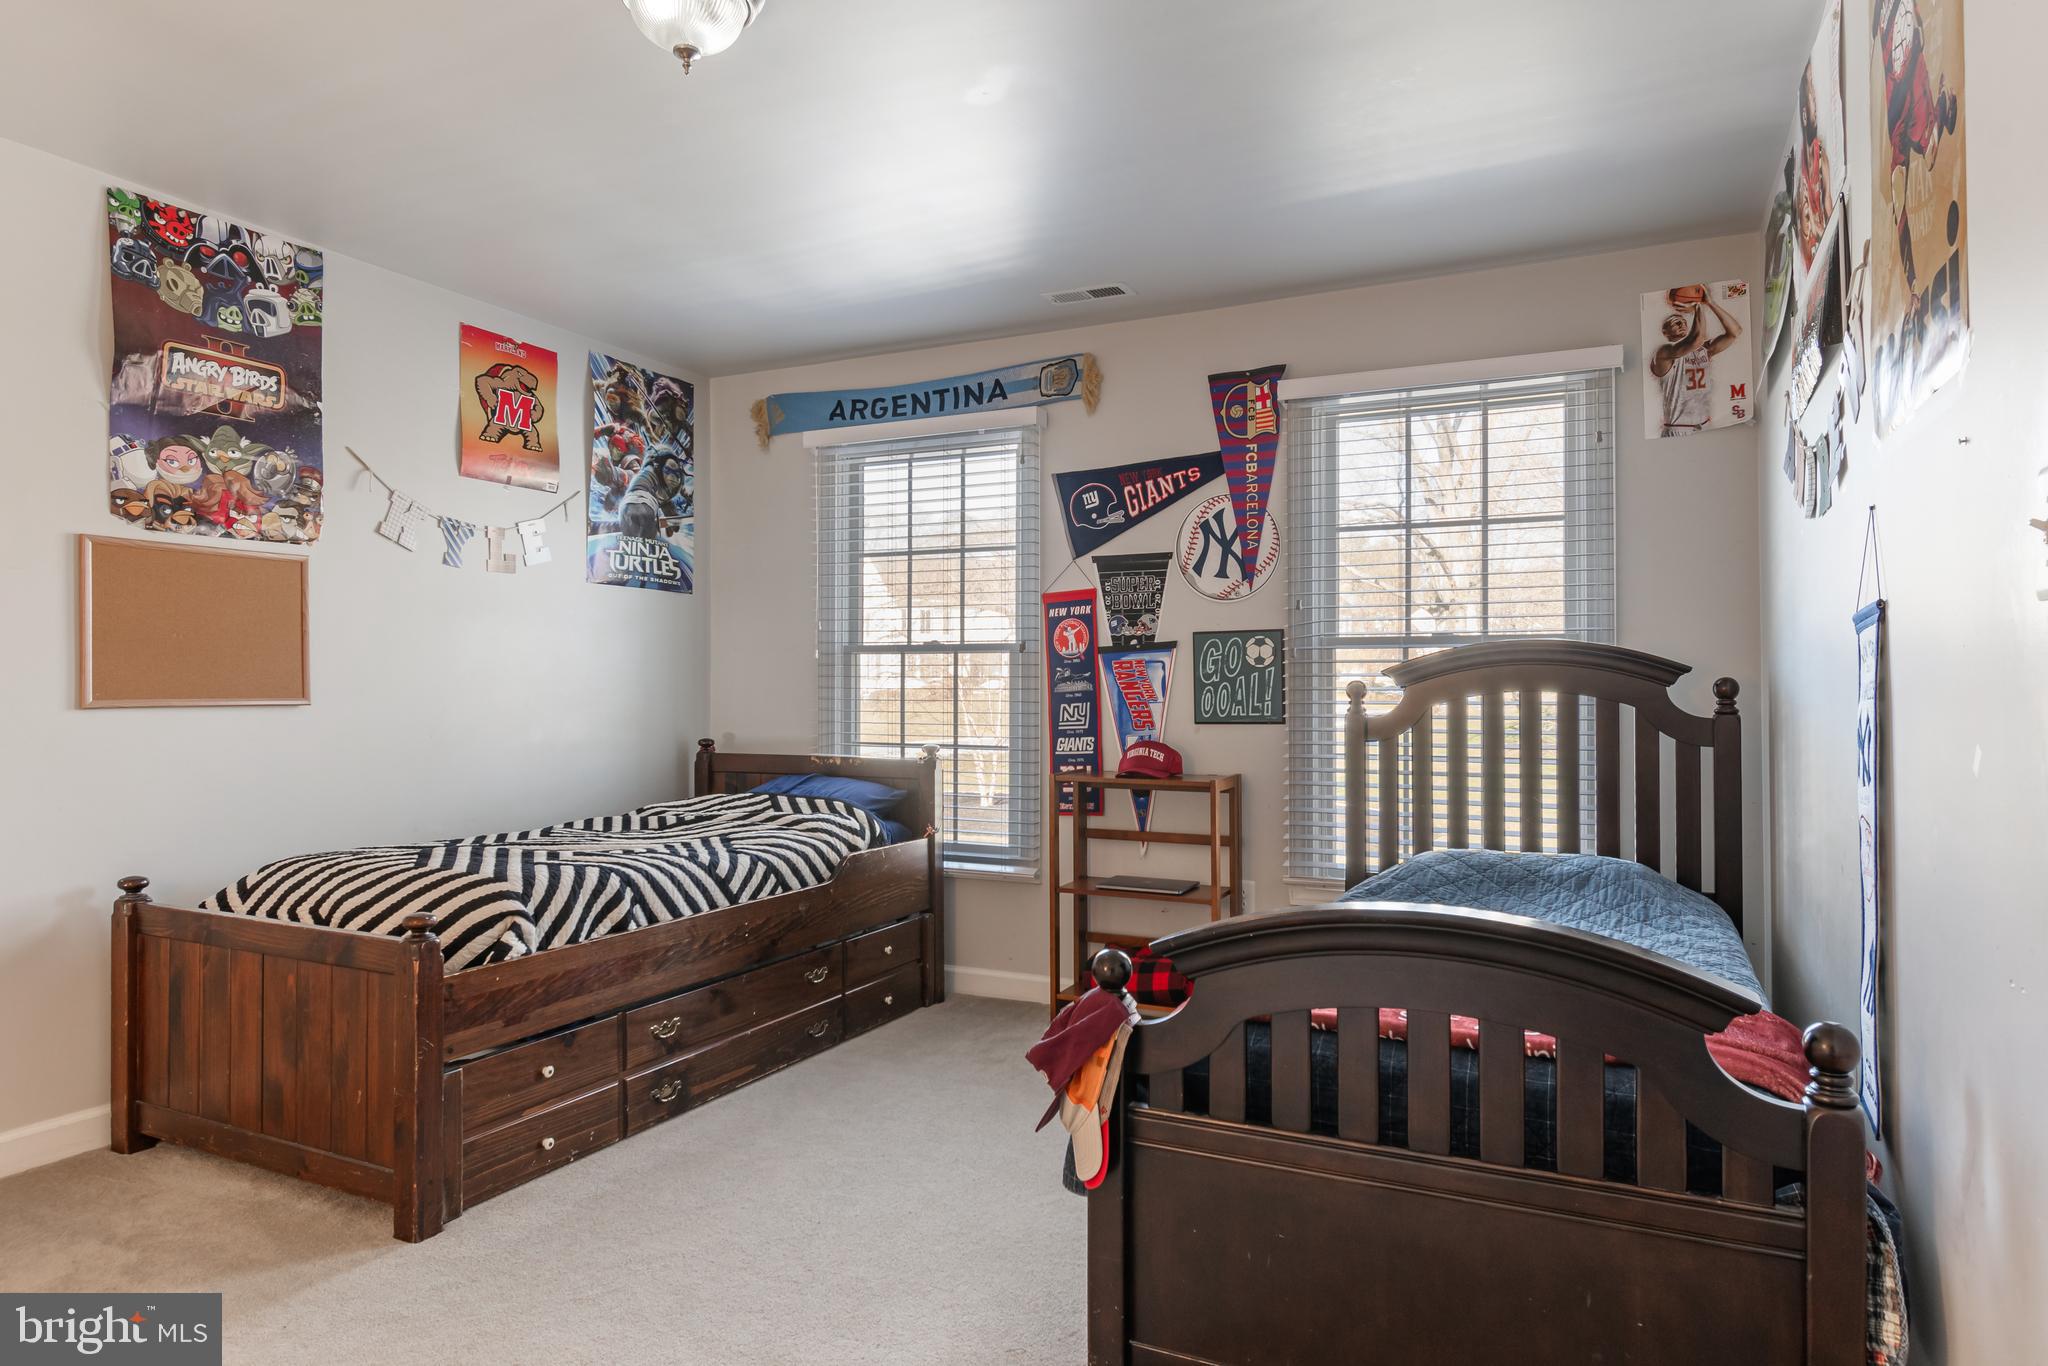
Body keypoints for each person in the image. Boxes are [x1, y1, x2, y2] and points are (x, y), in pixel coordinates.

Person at [1651, 288, 1743, 438]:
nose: (1680, 324)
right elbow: (1696, 340)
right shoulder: (1664, 353)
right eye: (1674, 322)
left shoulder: (1704, 350)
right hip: (1678, 428)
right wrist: (1698, 305)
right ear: (1665, 332)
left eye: (1682, 321)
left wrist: (1710, 303)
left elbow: (1735, 332)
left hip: (1705, 424)